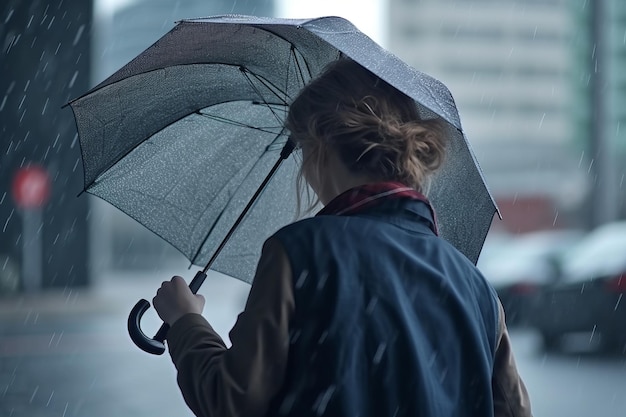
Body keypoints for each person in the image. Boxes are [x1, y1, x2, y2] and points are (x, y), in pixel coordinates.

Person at [152, 58, 532, 417]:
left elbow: (234, 398)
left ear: (319, 145)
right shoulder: (475, 287)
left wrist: (185, 322)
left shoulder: (299, 252)